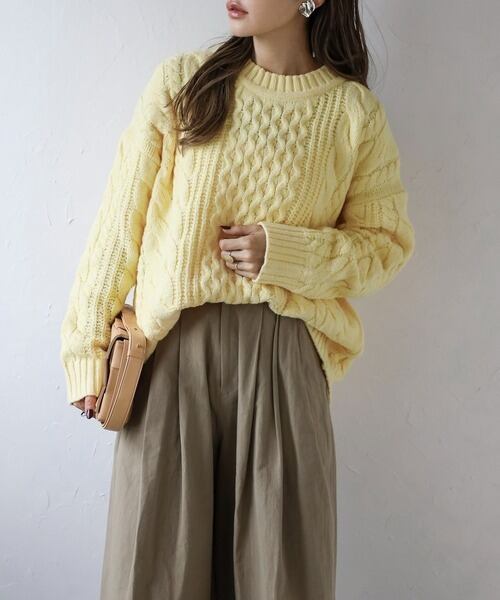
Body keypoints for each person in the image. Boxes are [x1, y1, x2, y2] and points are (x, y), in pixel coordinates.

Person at [60, 0, 416, 598]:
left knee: (278, 576)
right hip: (170, 358)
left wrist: (286, 253)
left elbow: (385, 245)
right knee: (151, 573)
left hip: (284, 363)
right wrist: (86, 347)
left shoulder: (354, 114)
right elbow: (121, 223)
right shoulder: (183, 84)